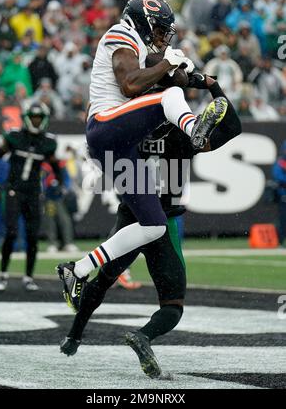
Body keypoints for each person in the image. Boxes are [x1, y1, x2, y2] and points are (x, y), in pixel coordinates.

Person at [59, 74, 242, 378]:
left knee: (103, 281)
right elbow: (233, 127)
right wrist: (212, 86)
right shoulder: (186, 134)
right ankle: (143, 336)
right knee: (173, 305)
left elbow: (99, 132)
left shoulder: (129, 130)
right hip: (164, 220)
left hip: (130, 216)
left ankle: (74, 335)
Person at [57, 0, 229, 318]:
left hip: (117, 146)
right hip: (106, 126)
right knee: (171, 97)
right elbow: (130, 84)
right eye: (160, 30)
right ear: (142, 22)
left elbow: (170, 76)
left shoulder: (140, 47)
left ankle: (78, 269)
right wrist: (169, 65)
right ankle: (195, 131)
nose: (163, 38)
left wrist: (187, 71)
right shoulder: (120, 35)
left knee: (154, 226)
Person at [0, 102, 61, 291]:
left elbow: (54, 165)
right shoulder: (15, 137)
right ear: (27, 118)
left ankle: (29, 276)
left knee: (32, 236)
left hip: (33, 193)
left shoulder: (47, 142)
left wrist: (58, 183)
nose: (36, 122)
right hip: (14, 190)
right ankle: (3, 274)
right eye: (33, 118)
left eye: (39, 118)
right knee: (11, 232)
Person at [272, 141, 286, 247]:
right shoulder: (281, 163)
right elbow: (278, 177)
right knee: (283, 220)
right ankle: (280, 241)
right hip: (283, 195)